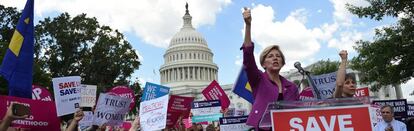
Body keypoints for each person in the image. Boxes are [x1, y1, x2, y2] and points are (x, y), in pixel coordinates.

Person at [241, 7, 299, 130]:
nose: (275, 58)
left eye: (278, 56)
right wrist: (248, 26)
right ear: (263, 64)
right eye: (270, 56)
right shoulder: (258, 79)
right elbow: (248, 57)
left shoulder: (292, 87)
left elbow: (299, 109)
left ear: (283, 62)